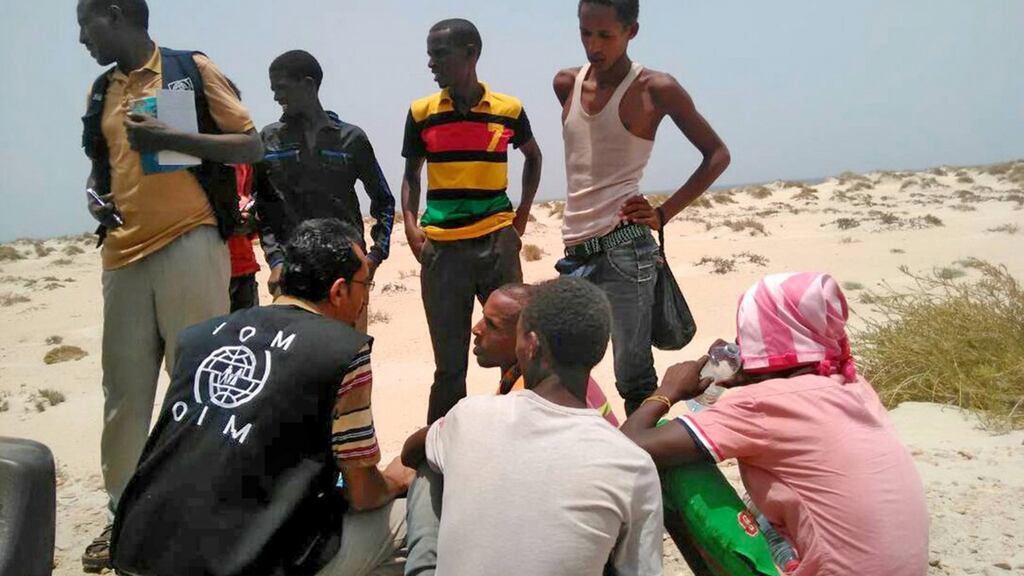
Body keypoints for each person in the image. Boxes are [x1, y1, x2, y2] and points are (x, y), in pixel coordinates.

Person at [110, 219, 413, 576]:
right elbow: (363, 493)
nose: (366, 296)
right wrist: (395, 480)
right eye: (366, 283)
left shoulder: (200, 336)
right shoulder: (343, 353)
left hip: (138, 549)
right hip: (233, 564)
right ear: (338, 292)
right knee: (412, 523)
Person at [77, 0, 263, 570]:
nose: (82, 39)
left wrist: (171, 137)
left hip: (190, 240)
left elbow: (251, 144)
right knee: (124, 398)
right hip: (122, 256)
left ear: (114, 15)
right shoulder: (100, 91)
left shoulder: (191, 68)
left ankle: (203, 512)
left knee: (198, 390)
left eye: (85, 25)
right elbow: (100, 161)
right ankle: (125, 517)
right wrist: (94, 192)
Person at [621, 273, 929, 576]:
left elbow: (624, 448)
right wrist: (754, 372)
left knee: (668, 459)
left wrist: (668, 391)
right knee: (766, 506)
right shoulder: (852, 384)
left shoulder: (761, 404)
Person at [401, 278, 663, 576]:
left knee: (429, 472)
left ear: (531, 344)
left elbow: (412, 450)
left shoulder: (470, 414)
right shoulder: (633, 465)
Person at [554, 0, 731, 414]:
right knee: (563, 366)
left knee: (632, 377)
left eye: (605, 35)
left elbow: (717, 155)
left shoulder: (655, 88)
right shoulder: (566, 83)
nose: (593, 45)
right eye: (585, 33)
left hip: (624, 251)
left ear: (632, 31)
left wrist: (664, 212)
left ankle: (647, 469)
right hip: (574, 252)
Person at [401, 18, 543, 423]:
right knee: (449, 365)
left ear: (471, 53)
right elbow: (411, 174)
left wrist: (521, 219)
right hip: (442, 251)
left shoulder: (508, 110)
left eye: (439, 54)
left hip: (496, 245)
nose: (431, 63)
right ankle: (442, 458)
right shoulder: (422, 113)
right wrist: (411, 228)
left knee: (517, 352)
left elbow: (533, 157)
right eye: (429, 54)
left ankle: (521, 435)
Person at [255, 50, 395, 332]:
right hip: (292, 271)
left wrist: (374, 257)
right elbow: (265, 208)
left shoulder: (351, 138)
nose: (275, 97)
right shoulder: (269, 139)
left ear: (308, 84)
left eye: (281, 88)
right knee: (296, 365)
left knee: (350, 363)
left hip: (346, 271)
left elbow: (383, 201)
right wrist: (276, 261)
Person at [473, 283, 618, 426]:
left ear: (529, 340)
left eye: (492, 325)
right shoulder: (565, 372)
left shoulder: (529, 399)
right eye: (483, 317)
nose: (476, 329)